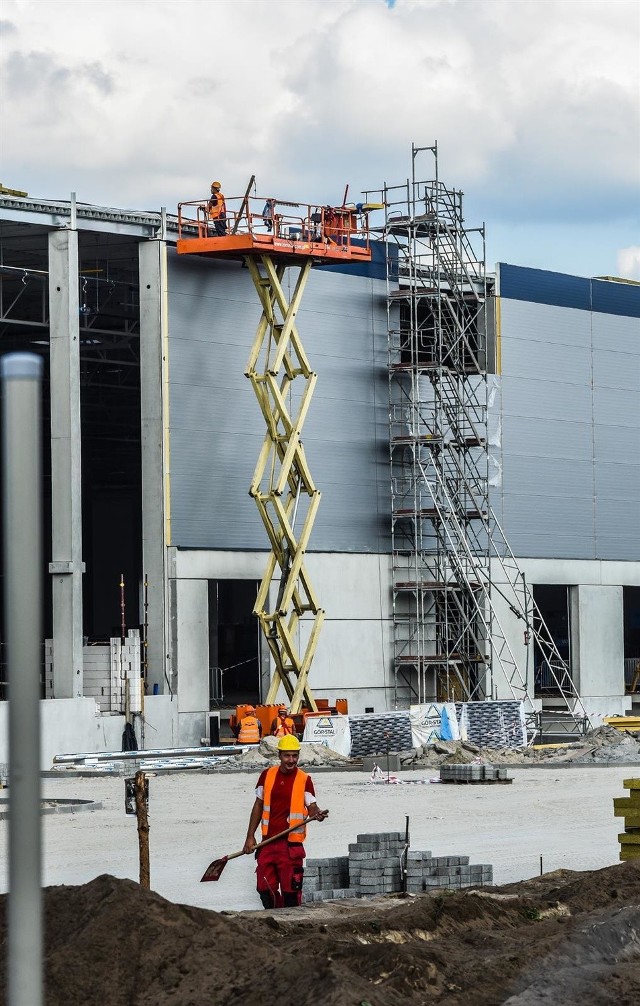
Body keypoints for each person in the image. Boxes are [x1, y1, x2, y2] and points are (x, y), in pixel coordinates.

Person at [243, 734, 328, 908]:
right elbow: (258, 805)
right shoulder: (267, 776)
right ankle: (274, 921)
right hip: (267, 843)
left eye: (294, 755)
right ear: (279, 755)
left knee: (291, 892)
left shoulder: (304, 780)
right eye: (287, 755)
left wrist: (317, 813)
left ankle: (290, 925)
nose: (291, 760)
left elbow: (312, 806)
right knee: (264, 888)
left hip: (290, 847)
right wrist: (250, 836)